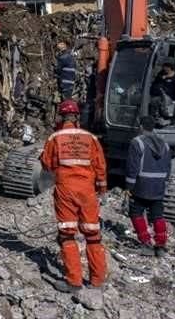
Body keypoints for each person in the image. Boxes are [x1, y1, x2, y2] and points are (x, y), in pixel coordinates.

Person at [40, 99, 107, 308]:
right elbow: (100, 166)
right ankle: (97, 280)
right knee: (93, 234)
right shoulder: (91, 138)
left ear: (60, 117)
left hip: (66, 190)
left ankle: (74, 281)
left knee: (67, 234)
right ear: (77, 117)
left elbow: (47, 164)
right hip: (87, 191)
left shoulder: (55, 137)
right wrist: (101, 189)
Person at [126, 116, 172, 257]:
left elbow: (132, 166)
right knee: (157, 214)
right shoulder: (165, 144)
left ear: (141, 126)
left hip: (141, 185)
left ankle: (146, 243)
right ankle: (161, 245)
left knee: (136, 212)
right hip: (158, 185)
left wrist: (129, 186)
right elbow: (168, 167)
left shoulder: (137, 142)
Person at [149, 59, 175, 126]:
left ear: (171, 67)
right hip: (161, 97)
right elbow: (154, 86)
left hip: (172, 99)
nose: (164, 68)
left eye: (166, 66)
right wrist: (161, 79)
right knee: (153, 100)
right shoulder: (160, 76)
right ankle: (154, 119)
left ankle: (171, 120)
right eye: (164, 66)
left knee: (156, 100)